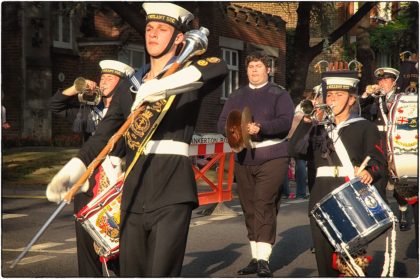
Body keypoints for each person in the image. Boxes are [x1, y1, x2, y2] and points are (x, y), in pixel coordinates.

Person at [46, 2, 228, 277]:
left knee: (160, 273)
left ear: (179, 38)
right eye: (149, 28)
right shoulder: (131, 86)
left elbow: (218, 67)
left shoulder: (188, 75)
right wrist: (76, 166)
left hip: (172, 190)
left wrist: (161, 86)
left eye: (162, 29)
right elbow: (104, 133)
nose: (153, 34)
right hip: (133, 190)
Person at [289, 70, 387, 276]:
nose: (332, 99)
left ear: (352, 100)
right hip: (320, 196)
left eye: (339, 95)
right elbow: (294, 151)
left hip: (350, 194)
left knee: (351, 262)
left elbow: (379, 161)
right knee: (324, 263)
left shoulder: (364, 127)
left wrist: (369, 171)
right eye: (330, 95)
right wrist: (306, 123)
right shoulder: (318, 128)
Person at [49, 60, 134, 276]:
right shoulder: (88, 109)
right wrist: (77, 88)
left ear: (122, 85)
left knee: (115, 241)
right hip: (88, 181)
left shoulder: (130, 111)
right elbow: (55, 105)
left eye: (110, 78)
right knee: (86, 242)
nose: (104, 81)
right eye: (102, 77)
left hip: (116, 182)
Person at [218, 52, 294, 277]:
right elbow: (222, 122)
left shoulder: (279, 94)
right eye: (251, 66)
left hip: (273, 155)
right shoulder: (236, 95)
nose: (254, 70)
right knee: (249, 206)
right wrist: (236, 131)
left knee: (263, 202)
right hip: (244, 156)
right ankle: (255, 256)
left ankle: (263, 259)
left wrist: (261, 128)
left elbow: (285, 121)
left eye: (259, 66)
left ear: (268, 70)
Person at [359, 67, 411, 231]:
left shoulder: (402, 98)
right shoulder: (375, 99)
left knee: (398, 182)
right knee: (378, 179)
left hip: (396, 145)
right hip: (379, 144)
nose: (381, 83)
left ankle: (403, 212)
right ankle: (385, 215)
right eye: (379, 80)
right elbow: (358, 109)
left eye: (385, 80)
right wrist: (366, 94)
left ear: (394, 82)